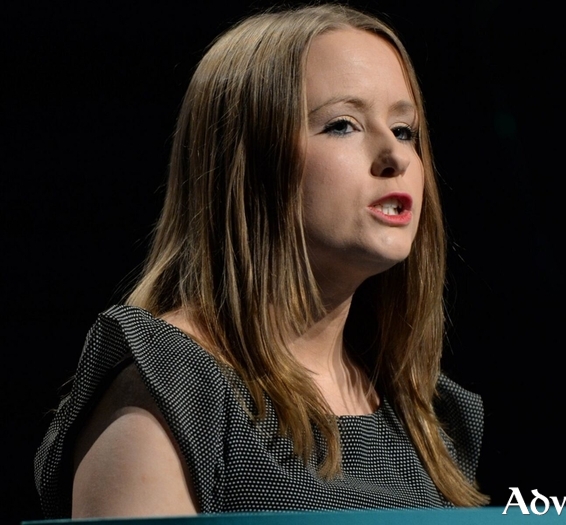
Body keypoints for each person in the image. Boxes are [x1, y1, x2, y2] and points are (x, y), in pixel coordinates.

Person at [34, 3, 489, 518]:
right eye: (343, 125)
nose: (396, 156)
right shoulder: (171, 385)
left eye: (405, 130)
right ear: (249, 163)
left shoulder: (431, 416)